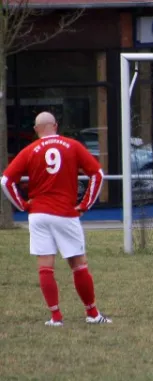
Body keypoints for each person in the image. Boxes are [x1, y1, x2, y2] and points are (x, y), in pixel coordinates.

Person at [1, 111, 110, 326]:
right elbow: (97, 174)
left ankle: (56, 317)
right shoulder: (72, 145)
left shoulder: (30, 150)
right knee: (78, 264)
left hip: (38, 214)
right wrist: (85, 204)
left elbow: (6, 181)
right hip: (65, 213)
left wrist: (23, 204)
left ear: (36, 130)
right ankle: (92, 313)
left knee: (45, 266)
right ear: (56, 125)